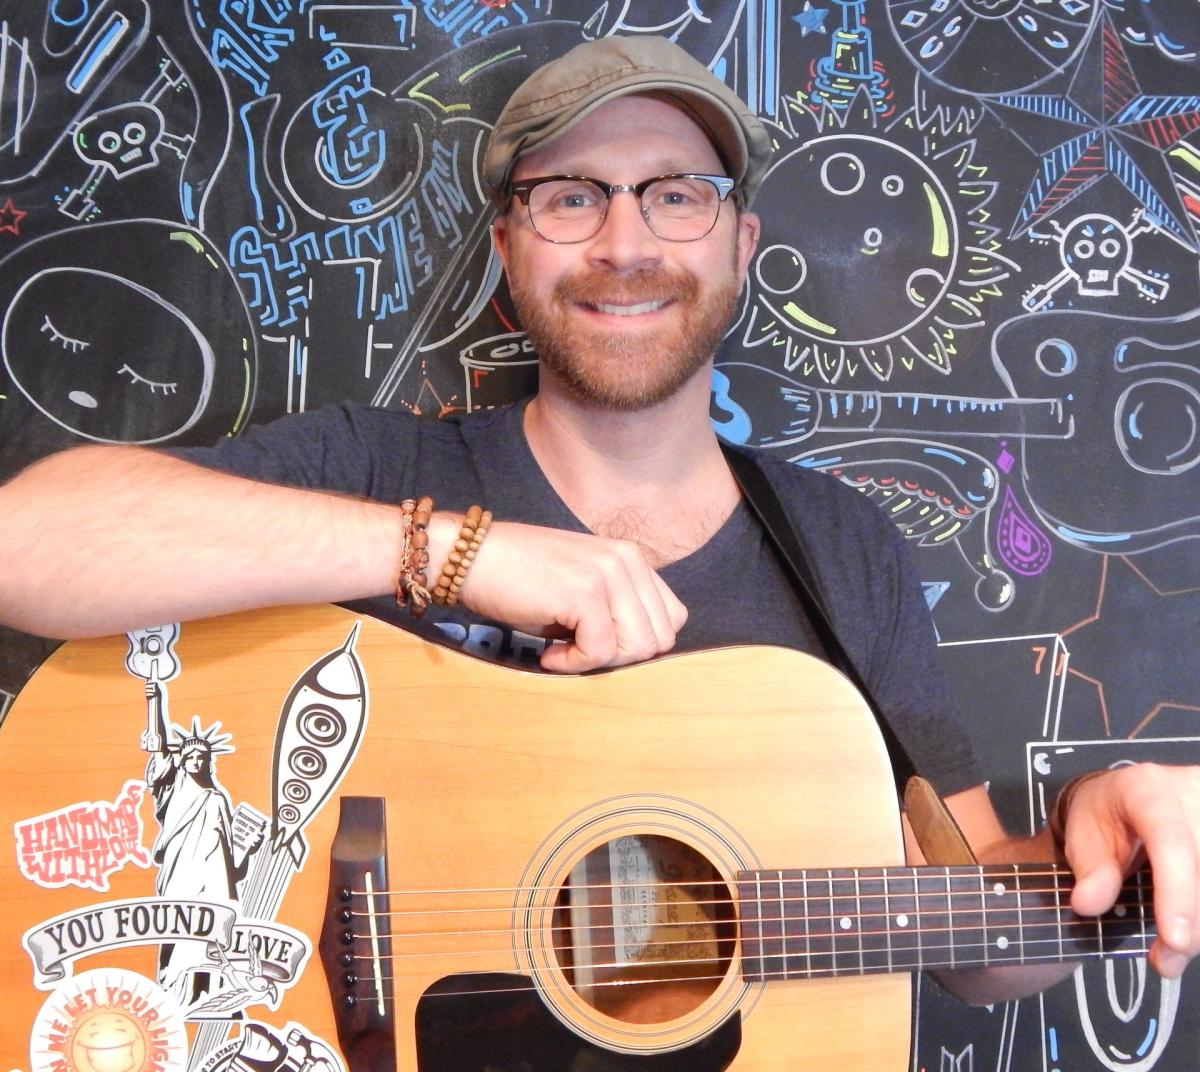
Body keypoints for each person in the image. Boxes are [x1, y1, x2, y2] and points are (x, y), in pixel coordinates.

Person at [1, 35, 1198, 1009]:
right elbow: (29, 546)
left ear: (741, 246)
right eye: (571, 197)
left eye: (677, 197)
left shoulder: (846, 551)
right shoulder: (373, 463)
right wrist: (452, 551)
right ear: (509, 248)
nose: (626, 245)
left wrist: (1097, 861)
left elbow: (977, 943)